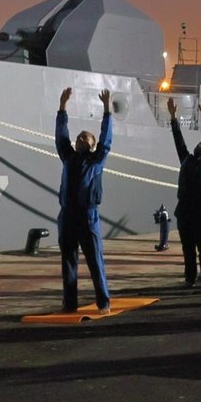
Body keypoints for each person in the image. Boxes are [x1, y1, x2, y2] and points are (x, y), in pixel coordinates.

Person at [54, 87, 114, 314]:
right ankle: (69, 304)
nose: (79, 138)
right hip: (67, 215)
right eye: (78, 136)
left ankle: (104, 302)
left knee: (95, 261)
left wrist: (107, 110)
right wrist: (62, 107)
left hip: (88, 216)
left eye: (85, 137)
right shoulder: (68, 157)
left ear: (92, 143)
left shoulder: (97, 160)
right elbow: (61, 137)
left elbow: (107, 140)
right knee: (68, 262)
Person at [168, 95, 201, 287]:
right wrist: (173, 118)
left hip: (199, 210)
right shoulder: (186, 159)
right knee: (188, 248)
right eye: (199, 144)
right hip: (185, 210)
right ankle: (189, 277)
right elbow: (178, 141)